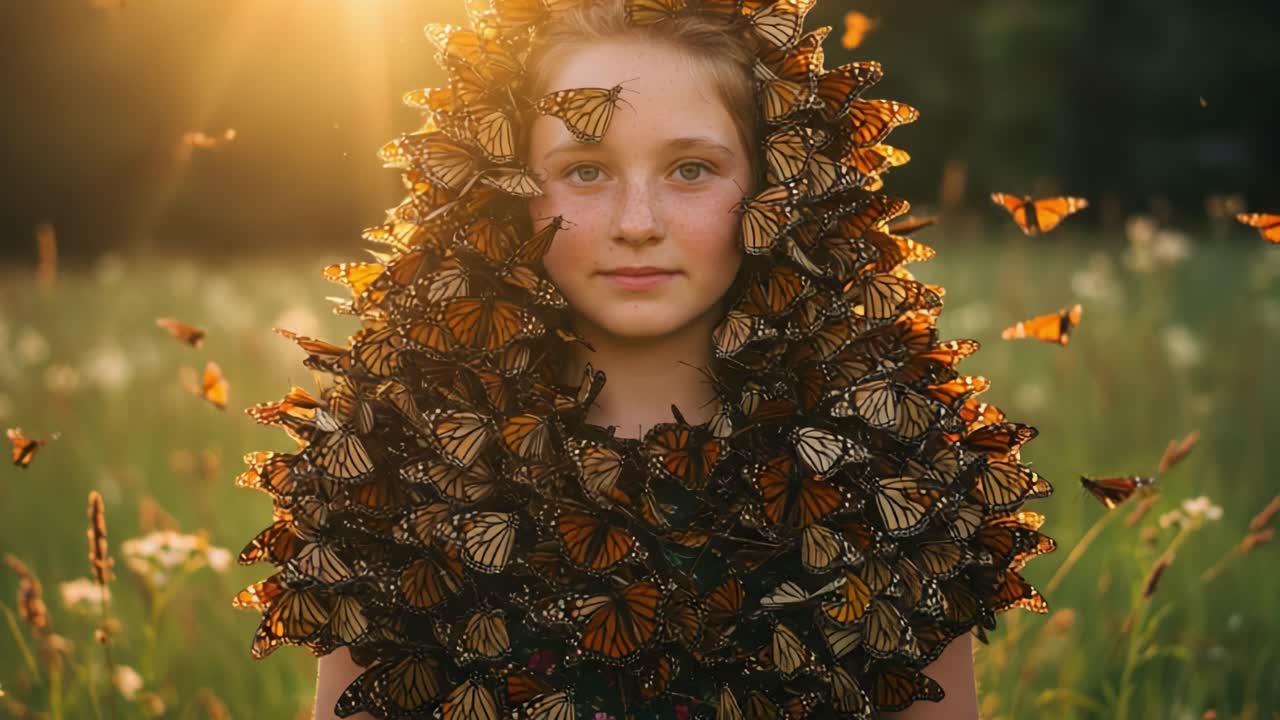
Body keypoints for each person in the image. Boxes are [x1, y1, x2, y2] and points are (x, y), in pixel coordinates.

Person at [237, 1, 1055, 718]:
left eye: (691, 169)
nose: (637, 222)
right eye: (584, 170)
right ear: (504, 187)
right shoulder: (395, 452)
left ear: (776, 184)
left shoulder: (891, 463)